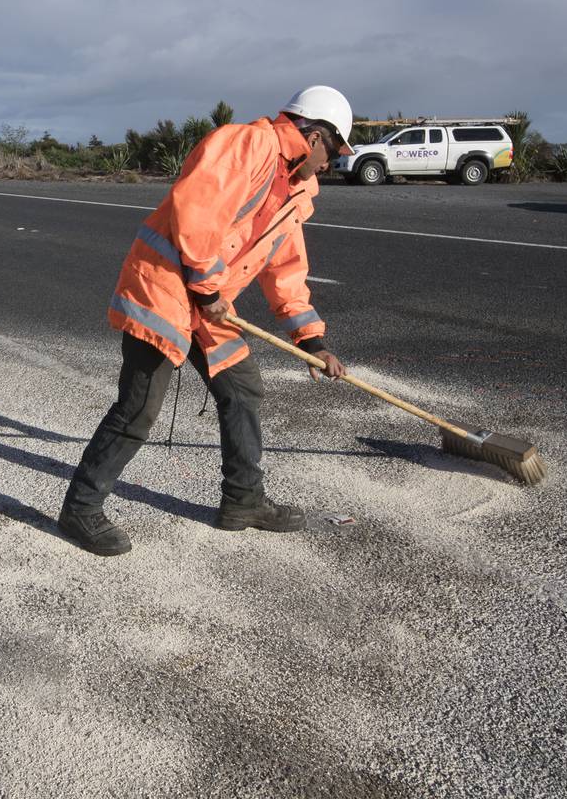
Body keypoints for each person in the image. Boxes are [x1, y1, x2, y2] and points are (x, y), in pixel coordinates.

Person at [58, 86, 354, 556]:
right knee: (139, 408)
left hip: (207, 299)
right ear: (315, 135)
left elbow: (286, 269)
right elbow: (195, 212)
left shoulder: (298, 191)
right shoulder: (248, 145)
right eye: (334, 150)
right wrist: (209, 288)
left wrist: (311, 340)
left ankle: (243, 501)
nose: (331, 163)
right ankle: (80, 508)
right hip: (166, 287)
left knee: (241, 389)